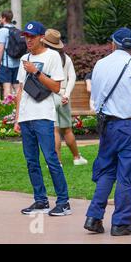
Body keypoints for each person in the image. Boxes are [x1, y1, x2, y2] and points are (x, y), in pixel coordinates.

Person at [84, 27, 131, 236]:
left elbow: (95, 99)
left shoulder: (100, 64)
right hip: (130, 127)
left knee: (106, 171)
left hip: (108, 126)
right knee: (128, 175)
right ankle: (121, 222)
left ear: (113, 44)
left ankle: (93, 217)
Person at [14, 21, 71, 216]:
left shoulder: (52, 56)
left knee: (51, 159)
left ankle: (63, 202)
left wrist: (36, 72)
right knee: (31, 161)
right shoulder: (24, 58)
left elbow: (56, 87)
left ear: (41, 38)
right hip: (26, 117)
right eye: (26, 37)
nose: (28, 40)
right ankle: (40, 200)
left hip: (43, 116)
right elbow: (20, 89)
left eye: (31, 36)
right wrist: (17, 118)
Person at [41, 29, 88, 166]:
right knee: (67, 129)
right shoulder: (65, 58)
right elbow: (72, 77)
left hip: (49, 96)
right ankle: (77, 158)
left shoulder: (45, 57)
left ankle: (58, 162)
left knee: (54, 130)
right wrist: (66, 94)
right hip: (63, 97)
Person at [0, 10, 19, 99]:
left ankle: (8, 109)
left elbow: (0, 48)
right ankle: (18, 109)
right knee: (17, 88)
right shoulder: (16, 30)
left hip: (6, 64)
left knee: (7, 87)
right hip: (17, 63)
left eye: (0, 17)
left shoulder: (2, 31)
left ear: (4, 18)